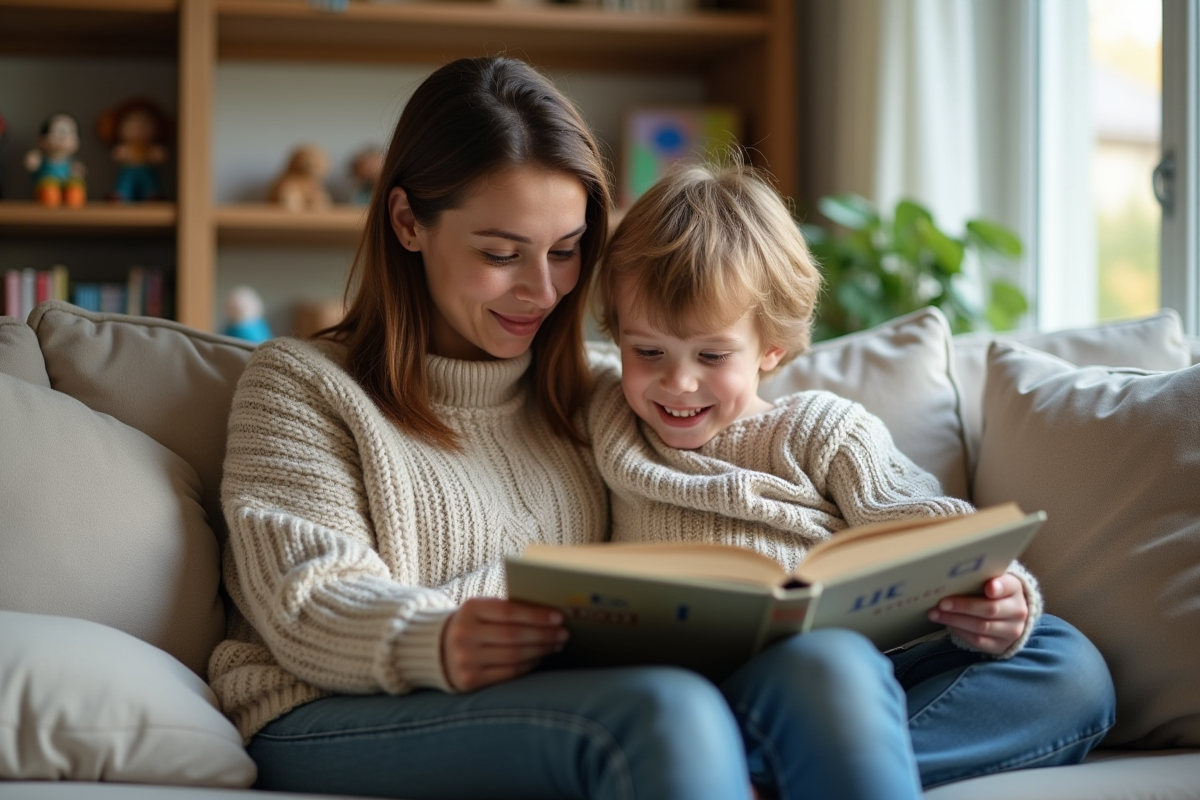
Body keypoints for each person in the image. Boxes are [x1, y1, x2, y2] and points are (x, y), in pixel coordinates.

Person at [211, 55, 756, 800]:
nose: (543, 291)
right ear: (408, 222)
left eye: (566, 251)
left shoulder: (605, 387)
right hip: (327, 710)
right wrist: (432, 638)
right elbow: (305, 598)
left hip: (544, 696)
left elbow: (748, 452)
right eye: (502, 254)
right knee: (664, 713)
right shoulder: (301, 385)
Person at [588, 159, 1117, 794]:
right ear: (617, 339)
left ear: (771, 347)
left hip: (870, 671)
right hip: (714, 699)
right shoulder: (608, 414)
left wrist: (999, 595)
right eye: (647, 352)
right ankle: (795, 763)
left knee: (1071, 667)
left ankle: (777, 775)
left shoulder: (823, 429)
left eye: (712, 355)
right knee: (804, 678)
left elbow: (929, 527)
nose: (677, 382)